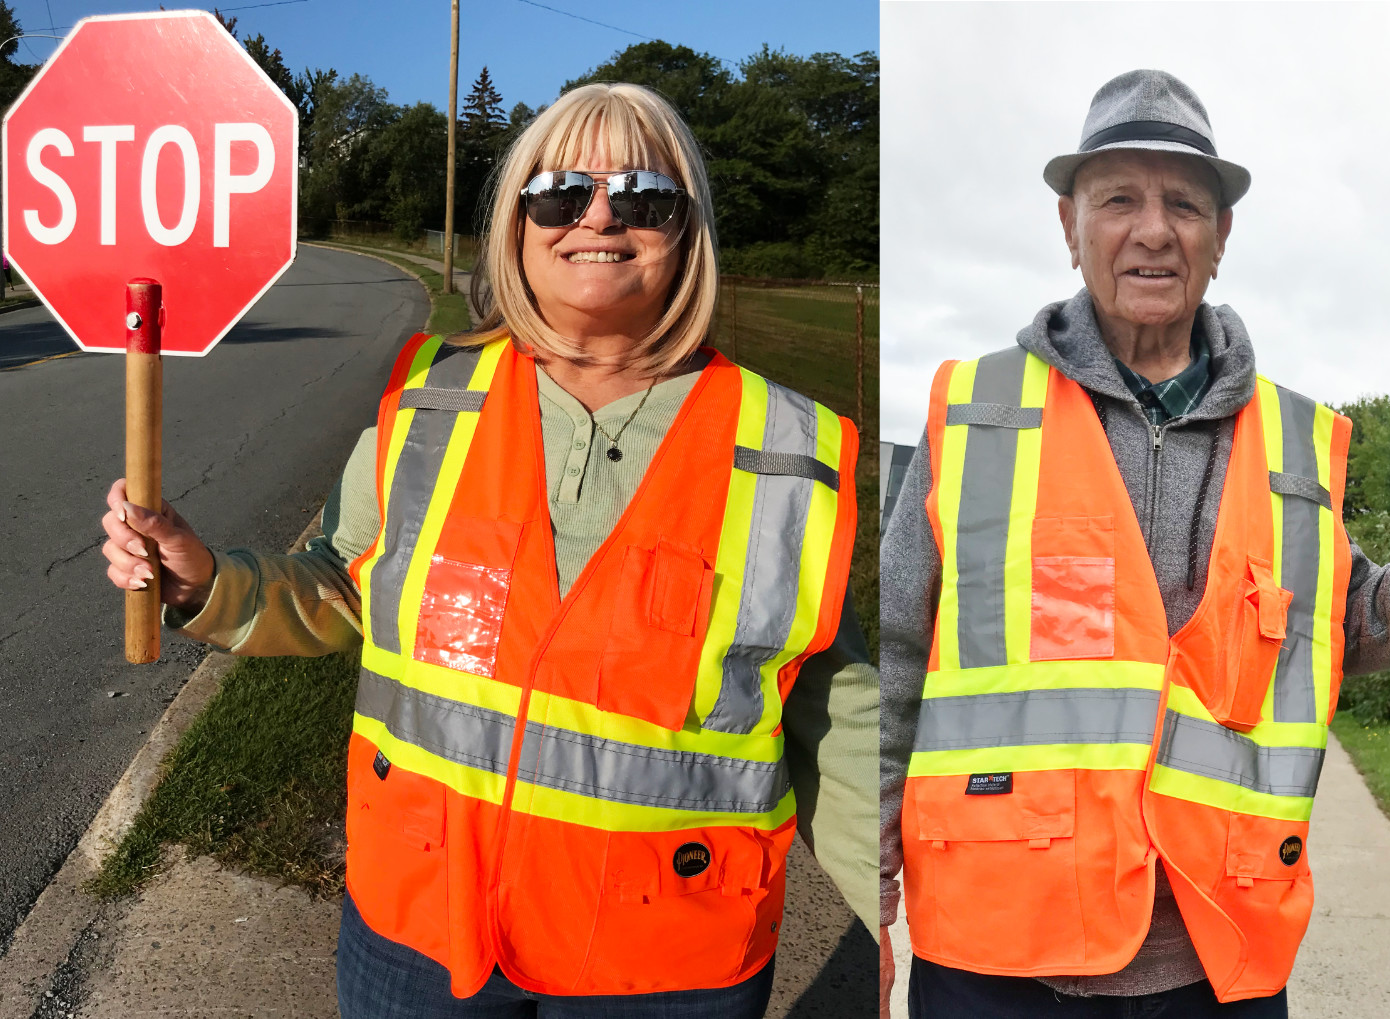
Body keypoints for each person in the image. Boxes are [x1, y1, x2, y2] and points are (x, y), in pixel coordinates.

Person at [99, 82, 877, 1018]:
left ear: (690, 231)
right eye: (559, 191)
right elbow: (342, 586)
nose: (598, 215)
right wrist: (207, 581)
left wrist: (931, 945)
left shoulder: (789, 450)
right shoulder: (434, 399)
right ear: (516, 223)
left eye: (643, 195)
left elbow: (845, 733)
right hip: (420, 937)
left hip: (665, 965)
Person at [877, 69, 1390, 1018]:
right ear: (1069, 227)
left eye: (1184, 204)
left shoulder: (1294, 446)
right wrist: (870, 890)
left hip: (1212, 955)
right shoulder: (978, 416)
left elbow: (1342, 627)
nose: (1153, 229)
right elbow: (899, 658)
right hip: (997, 957)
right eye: (1118, 199)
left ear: (1220, 238)